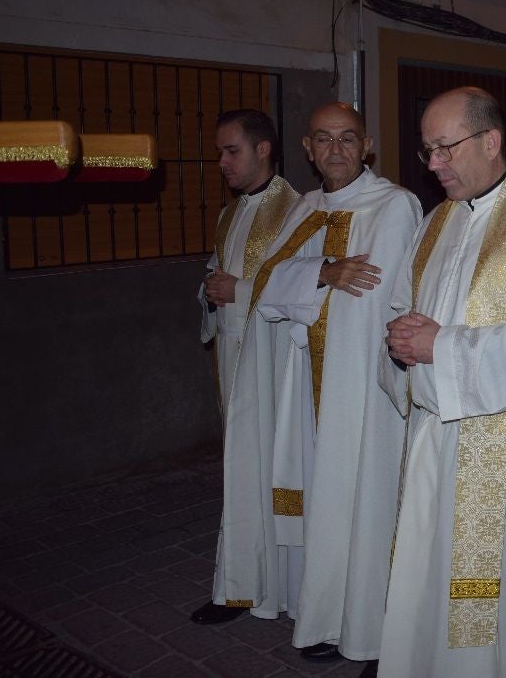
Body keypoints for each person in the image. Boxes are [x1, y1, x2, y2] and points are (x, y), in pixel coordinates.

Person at [378, 87, 506, 678]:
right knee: (429, 582)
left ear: (490, 141)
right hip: (430, 442)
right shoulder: (433, 222)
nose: (434, 164)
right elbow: (402, 307)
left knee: (505, 605)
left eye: (445, 148)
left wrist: (438, 346)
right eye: (427, 151)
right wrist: (399, 341)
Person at [254, 101, 421, 664]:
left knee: (368, 500)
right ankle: (328, 617)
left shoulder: (394, 206)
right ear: (307, 149)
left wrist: (306, 288)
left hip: (364, 384)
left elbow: (381, 297)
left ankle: (375, 633)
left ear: (367, 144)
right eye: (323, 139)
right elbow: (265, 290)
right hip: (308, 383)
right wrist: (324, 273)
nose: (335, 150)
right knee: (326, 500)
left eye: (347, 138)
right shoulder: (303, 208)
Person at [193, 109, 299, 626]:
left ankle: (286, 590)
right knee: (240, 475)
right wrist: (211, 292)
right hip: (234, 364)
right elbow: (218, 275)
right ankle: (238, 585)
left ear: (263, 150)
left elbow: (306, 292)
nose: (222, 163)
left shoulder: (299, 213)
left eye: (231, 150)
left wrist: (239, 290)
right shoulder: (228, 214)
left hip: (277, 367)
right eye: (218, 152)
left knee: (276, 476)